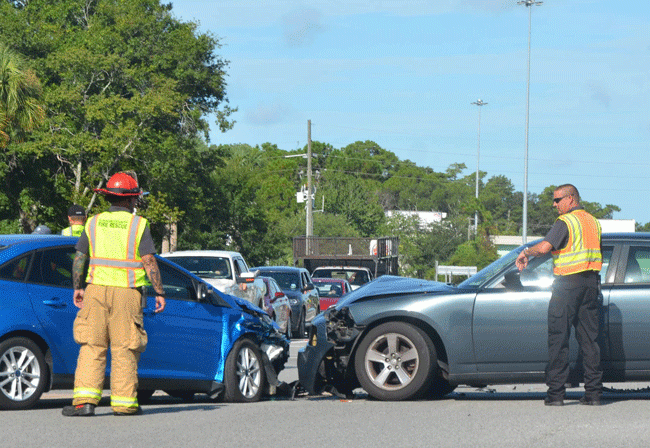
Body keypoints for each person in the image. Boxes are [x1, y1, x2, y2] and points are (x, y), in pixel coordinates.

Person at [62, 172, 166, 417]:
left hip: (95, 291)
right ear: (131, 200)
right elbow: (149, 260)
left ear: (108, 196)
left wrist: (78, 287)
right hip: (127, 294)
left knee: (91, 346)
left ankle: (84, 403)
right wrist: (159, 291)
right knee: (125, 348)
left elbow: (80, 258)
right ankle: (124, 403)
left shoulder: (93, 222)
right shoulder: (139, 224)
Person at [516, 184, 602, 406]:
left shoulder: (565, 222)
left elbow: (544, 248)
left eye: (557, 200)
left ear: (571, 198)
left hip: (567, 285)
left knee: (558, 339)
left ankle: (555, 395)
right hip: (591, 284)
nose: (554, 205)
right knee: (589, 341)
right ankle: (593, 395)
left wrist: (525, 252)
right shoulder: (593, 222)